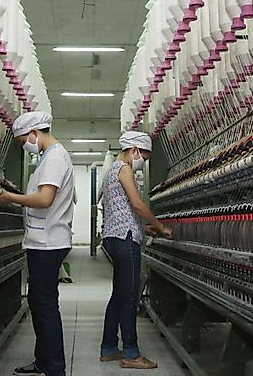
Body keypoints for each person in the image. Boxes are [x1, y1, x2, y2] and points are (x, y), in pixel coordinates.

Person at [0, 111, 75, 376]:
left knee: (45, 307)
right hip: (44, 240)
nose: (24, 146)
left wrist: (11, 197)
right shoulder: (48, 158)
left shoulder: (54, 158)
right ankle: (43, 361)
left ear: (34, 133)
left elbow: (44, 199)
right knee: (40, 305)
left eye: (23, 141)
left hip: (48, 243)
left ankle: (54, 369)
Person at [99, 131, 172, 370]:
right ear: (134, 150)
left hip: (115, 236)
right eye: (145, 157)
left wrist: (145, 228)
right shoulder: (124, 169)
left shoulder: (112, 170)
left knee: (119, 295)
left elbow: (123, 209)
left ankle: (109, 347)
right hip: (125, 240)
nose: (143, 162)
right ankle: (131, 352)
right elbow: (138, 205)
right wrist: (160, 226)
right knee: (130, 297)